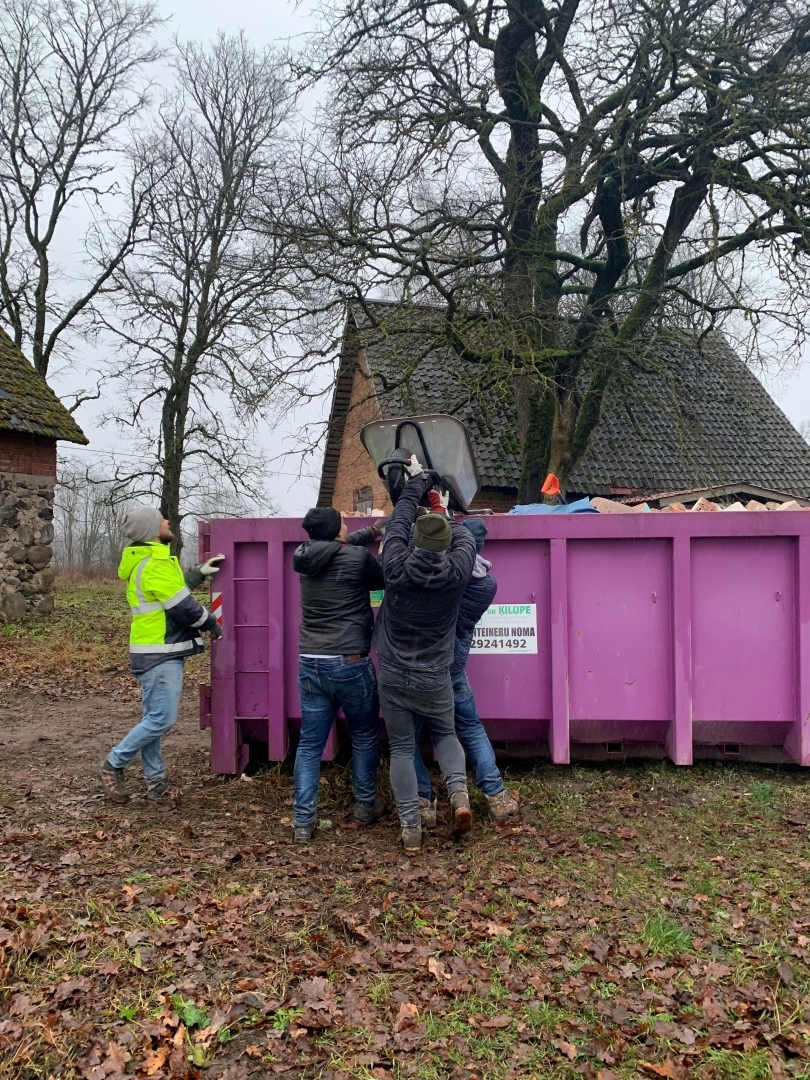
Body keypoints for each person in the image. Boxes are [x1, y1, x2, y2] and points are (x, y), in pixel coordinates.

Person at [373, 457, 477, 851]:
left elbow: (397, 523)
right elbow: (464, 536)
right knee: (446, 733)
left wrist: (415, 486)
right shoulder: (457, 571)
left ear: (415, 540)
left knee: (401, 747)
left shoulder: (394, 565)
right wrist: (440, 507)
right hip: (435, 672)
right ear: (445, 544)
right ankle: (459, 797)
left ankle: (411, 829)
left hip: (395, 672)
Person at [98, 507, 223, 804]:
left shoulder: (147, 561)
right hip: (159, 652)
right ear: (152, 529)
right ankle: (113, 764)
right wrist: (211, 623)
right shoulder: (154, 563)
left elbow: (171, 592)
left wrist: (198, 573)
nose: (167, 521)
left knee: (153, 719)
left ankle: (156, 784)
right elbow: (182, 607)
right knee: (161, 720)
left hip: (152, 649)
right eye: (162, 519)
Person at [414, 517, 519, 826]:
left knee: (409, 736)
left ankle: (424, 802)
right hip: (455, 667)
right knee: (471, 728)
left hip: (424, 667)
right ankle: (497, 797)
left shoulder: (442, 578)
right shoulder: (487, 583)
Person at [292, 507, 387, 844]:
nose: (349, 526)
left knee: (309, 745)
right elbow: (382, 578)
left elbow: (338, 548)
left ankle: (303, 822)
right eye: (344, 524)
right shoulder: (358, 559)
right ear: (336, 532)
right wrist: (385, 537)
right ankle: (365, 806)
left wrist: (372, 530)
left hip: (310, 661)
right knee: (363, 734)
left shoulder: (302, 557)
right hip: (349, 661)